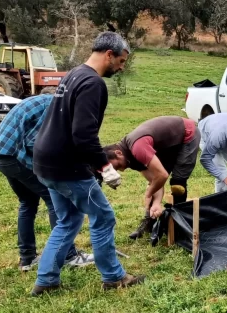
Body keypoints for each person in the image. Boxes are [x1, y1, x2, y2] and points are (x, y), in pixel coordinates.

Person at [31, 32, 144, 296]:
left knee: (68, 219)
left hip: (45, 162)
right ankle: (113, 277)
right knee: (103, 216)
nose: (122, 66)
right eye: (121, 60)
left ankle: (46, 280)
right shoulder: (93, 83)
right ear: (109, 55)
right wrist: (106, 168)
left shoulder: (73, 74)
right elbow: (83, 135)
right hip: (66, 166)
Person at [0, 94, 94, 271]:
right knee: (55, 198)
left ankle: (27, 258)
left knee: (27, 202)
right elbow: (34, 143)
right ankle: (68, 255)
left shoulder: (49, 100)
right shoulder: (55, 109)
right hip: (14, 155)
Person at [103, 116, 201, 240]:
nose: (120, 170)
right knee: (154, 183)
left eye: (117, 166)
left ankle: (179, 225)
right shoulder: (130, 159)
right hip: (167, 144)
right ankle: (149, 223)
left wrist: (149, 194)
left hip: (187, 134)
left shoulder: (138, 148)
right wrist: (156, 203)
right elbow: (155, 180)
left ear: (118, 153)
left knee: (178, 184)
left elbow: (162, 176)